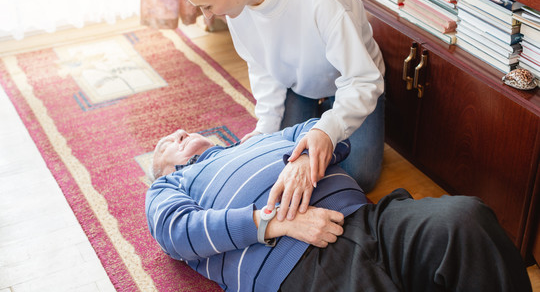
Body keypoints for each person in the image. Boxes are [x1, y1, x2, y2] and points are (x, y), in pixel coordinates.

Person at [145, 119, 532, 292]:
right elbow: (177, 233)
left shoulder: (255, 140)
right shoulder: (168, 186)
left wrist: (301, 155)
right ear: (161, 169)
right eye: (165, 144)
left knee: (465, 220)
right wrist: (275, 222)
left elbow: (326, 133)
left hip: (369, 219)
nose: (177, 133)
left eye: (179, 131)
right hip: (296, 266)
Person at [173, 0, 386, 200]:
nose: (206, 15)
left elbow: (363, 79)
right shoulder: (237, 8)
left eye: (207, 5)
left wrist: (327, 130)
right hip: (297, 85)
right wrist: (265, 127)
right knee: (275, 161)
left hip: (352, 83)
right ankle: (318, 120)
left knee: (360, 176)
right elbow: (261, 65)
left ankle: (328, 117)